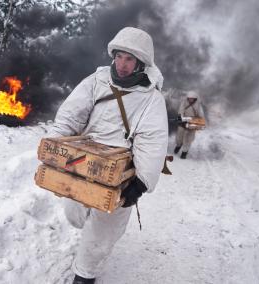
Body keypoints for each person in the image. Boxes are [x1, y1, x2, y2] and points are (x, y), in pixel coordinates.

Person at [47, 27, 169, 283]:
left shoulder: (151, 98)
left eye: (130, 59)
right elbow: (72, 113)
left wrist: (142, 182)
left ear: (140, 63)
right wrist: (55, 146)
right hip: (82, 159)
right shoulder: (97, 80)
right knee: (75, 214)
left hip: (119, 170)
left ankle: (85, 275)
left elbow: (152, 141)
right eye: (120, 57)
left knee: (103, 228)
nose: (122, 65)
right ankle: (90, 236)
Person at [174, 90, 205, 159]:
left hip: (192, 124)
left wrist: (195, 121)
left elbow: (201, 116)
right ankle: (178, 145)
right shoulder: (184, 103)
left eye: (192, 98)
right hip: (183, 122)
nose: (191, 99)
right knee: (179, 137)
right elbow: (180, 111)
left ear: (195, 98)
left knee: (188, 139)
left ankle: (184, 152)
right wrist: (181, 118)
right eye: (189, 98)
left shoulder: (198, 105)